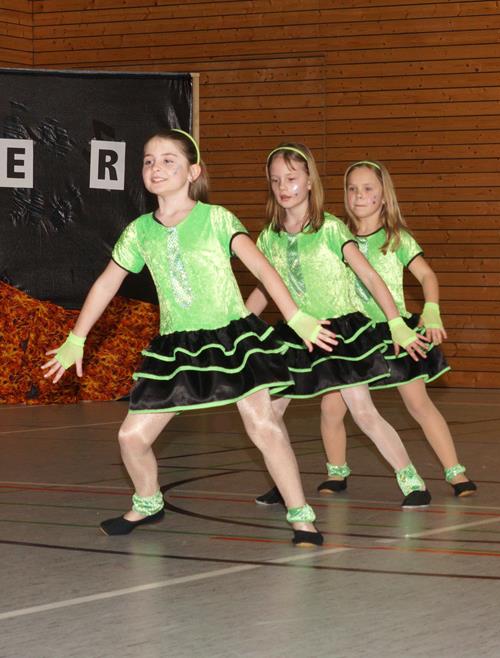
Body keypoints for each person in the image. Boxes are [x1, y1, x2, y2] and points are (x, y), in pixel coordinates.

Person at [42, 129, 339, 547]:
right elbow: (107, 282)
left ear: (193, 172)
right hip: (177, 347)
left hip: (231, 339)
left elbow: (262, 269)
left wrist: (295, 317)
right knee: (131, 437)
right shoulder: (139, 231)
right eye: (149, 160)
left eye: (169, 160)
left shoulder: (217, 219)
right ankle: (148, 501)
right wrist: (77, 337)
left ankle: (301, 515)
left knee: (263, 424)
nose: (156, 167)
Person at [248, 143, 432, 508]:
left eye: (292, 178)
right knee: (269, 412)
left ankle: (412, 480)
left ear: (310, 181)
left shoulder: (331, 228)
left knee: (362, 411)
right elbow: (265, 289)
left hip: (339, 334)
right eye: (276, 180)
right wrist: (236, 326)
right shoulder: (268, 237)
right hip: (297, 335)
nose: (284, 187)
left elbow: (371, 278)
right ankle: (284, 482)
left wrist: (395, 321)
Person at [319, 159, 476, 498]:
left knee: (418, 403)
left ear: (384, 195)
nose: (359, 195)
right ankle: (336, 471)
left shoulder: (396, 238)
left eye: (368, 189)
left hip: (394, 332)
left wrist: (431, 309)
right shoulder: (336, 237)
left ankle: (455, 471)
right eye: (352, 189)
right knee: (331, 406)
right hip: (352, 334)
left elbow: (427, 275)